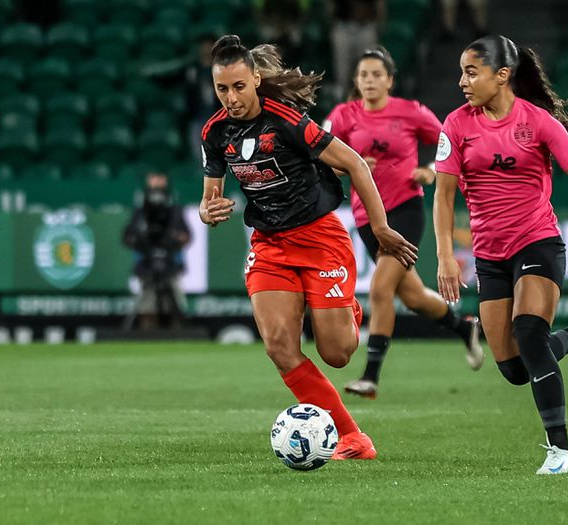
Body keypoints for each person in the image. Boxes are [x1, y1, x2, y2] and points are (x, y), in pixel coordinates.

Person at [434, 35, 568, 474]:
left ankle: (561, 451)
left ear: (502, 76)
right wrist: (444, 256)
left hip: (537, 242)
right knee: (515, 369)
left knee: (530, 332)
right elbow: (442, 198)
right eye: (461, 71)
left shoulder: (538, 123)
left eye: (471, 71)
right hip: (490, 255)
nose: (462, 81)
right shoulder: (456, 125)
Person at [198, 36, 417, 460]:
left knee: (336, 353)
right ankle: (353, 437)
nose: (231, 98)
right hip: (269, 246)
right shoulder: (215, 132)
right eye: (222, 89)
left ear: (256, 79)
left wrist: (381, 227)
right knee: (279, 345)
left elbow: (353, 162)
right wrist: (209, 212)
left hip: (319, 240)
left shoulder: (286, 121)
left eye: (239, 87)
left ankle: (346, 310)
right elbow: (209, 198)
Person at [322, 47, 484, 399]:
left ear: (390, 80)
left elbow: (449, 143)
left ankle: (371, 376)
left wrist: (429, 170)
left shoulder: (409, 112)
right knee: (411, 296)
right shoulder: (343, 116)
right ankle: (463, 327)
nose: (369, 81)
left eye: (376, 75)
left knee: (380, 289)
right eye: (363, 75)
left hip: (406, 211)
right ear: (356, 81)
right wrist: (350, 165)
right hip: (368, 218)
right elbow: (320, 163)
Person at [122, 171, 191, 331]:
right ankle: (147, 333)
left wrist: (176, 239)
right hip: (147, 263)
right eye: (154, 181)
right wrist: (140, 240)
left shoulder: (174, 211)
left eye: (160, 181)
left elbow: (187, 235)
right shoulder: (141, 212)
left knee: (175, 301)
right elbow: (127, 236)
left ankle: (178, 333)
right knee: (147, 303)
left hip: (170, 263)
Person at [328, 0, 384, 99]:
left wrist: (379, 22)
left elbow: (380, 4)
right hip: (343, 26)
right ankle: (343, 105)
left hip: (366, 27)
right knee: (342, 76)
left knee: (367, 72)